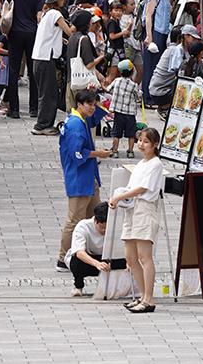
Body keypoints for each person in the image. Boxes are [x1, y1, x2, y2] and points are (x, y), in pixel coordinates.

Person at [108, 126, 164, 313]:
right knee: (131, 258)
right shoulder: (141, 164)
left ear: (154, 145)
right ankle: (142, 295)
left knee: (144, 257)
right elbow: (133, 188)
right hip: (132, 209)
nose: (141, 144)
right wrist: (119, 197)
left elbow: (142, 188)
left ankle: (149, 299)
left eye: (146, 142)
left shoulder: (156, 164)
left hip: (145, 209)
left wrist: (119, 197)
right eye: (140, 140)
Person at [57, 89, 111, 268]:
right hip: (79, 177)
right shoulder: (75, 125)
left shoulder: (81, 119)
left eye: (94, 104)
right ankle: (63, 257)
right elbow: (77, 153)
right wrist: (99, 154)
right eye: (89, 104)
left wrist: (97, 95)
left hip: (88, 177)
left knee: (97, 215)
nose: (92, 108)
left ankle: (94, 252)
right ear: (79, 104)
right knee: (74, 219)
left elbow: (98, 116)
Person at [31, 0, 74, 136]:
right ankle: (42, 125)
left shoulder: (46, 13)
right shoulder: (56, 14)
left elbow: (51, 35)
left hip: (39, 57)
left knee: (46, 92)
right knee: (49, 93)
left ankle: (43, 123)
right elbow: (69, 31)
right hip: (46, 58)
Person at [66, 202, 128, 296]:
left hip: (109, 259)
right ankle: (78, 286)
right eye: (102, 227)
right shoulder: (83, 226)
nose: (104, 231)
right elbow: (79, 252)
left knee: (130, 260)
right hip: (90, 260)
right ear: (95, 220)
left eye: (107, 228)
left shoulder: (117, 226)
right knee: (76, 260)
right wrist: (97, 264)